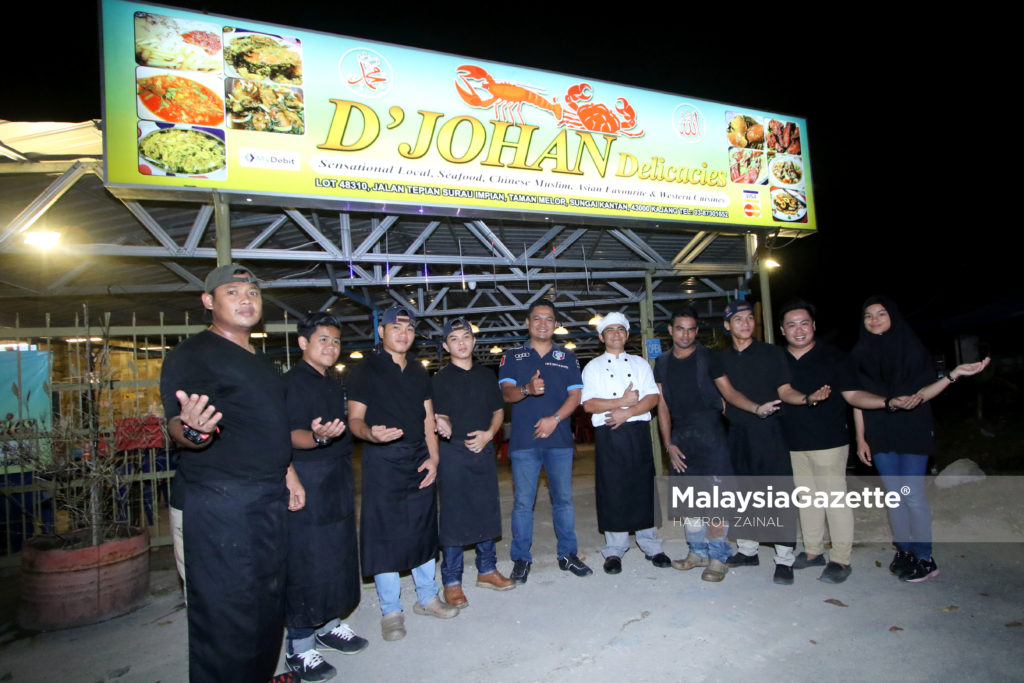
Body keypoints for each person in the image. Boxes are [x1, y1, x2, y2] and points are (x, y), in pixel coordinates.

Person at [159, 264, 318, 682]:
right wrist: (194, 429)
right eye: (233, 292)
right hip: (217, 504)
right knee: (226, 612)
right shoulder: (192, 355)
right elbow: (179, 425)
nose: (246, 299)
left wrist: (289, 473)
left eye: (253, 292)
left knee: (264, 601)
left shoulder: (261, 362)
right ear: (209, 302)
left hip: (264, 498)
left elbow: (269, 427)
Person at [850, 296, 990, 583]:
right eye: (868, 315)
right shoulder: (859, 353)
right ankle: (904, 550)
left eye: (881, 313)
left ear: (893, 316)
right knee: (894, 497)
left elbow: (923, 393)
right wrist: (861, 438)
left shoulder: (911, 347)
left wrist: (954, 374)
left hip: (911, 428)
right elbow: (857, 399)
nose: (874, 319)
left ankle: (925, 557)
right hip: (880, 432)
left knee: (912, 495)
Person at [347, 305, 457, 642]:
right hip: (382, 458)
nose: (403, 334)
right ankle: (391, 610)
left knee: (423, 527)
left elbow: (428, 419)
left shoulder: (418, 371)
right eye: (396, 328)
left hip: (418, 456)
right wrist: (370, 434)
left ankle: (427, 597)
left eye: (408, 329)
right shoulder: (365, 368)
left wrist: (434, 459)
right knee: (385, 533)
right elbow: (354, 420)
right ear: (381, 332)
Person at [711, 300, 830, 585]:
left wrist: (807, 398)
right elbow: (727, 393)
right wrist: (755, 409)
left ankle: (784, 559)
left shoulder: (772, 353)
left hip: (770, 433)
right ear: (727, 326)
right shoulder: (719, 359)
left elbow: (785, 390)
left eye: (750, 318)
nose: (746, 324)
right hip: (739, 432)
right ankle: (748, 550)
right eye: (738, 320)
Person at [281, 312, 368, 681]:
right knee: (307, 560)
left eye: (335, 341)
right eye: (323, 340)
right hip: (307, 477)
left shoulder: (333, 381)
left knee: (337, 552)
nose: (331, 347)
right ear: (303, 343)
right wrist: (316, 438)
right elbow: (284, 434)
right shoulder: (289, 384)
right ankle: (299, 647)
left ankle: (329, 624)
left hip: (336, 475)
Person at [499, 300, 592, 582]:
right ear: (527, 322)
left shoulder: (568, 357)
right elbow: (506, 394)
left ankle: (567, 554)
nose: (543, 323)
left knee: (563, 501)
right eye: (537, 318)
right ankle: (521, 558)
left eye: (549, 319)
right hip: (525, 443)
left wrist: (555, 419)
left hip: (560, 440)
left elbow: (575, 397)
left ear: (555, 324)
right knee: (523, 503)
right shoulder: (511, 357)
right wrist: (527, 388)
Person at [432, 318, 515, 608]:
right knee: (454, 515)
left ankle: (487, 569)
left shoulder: (485, 376)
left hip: (482, 450)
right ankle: (452, 581)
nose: (461, 342)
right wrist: (441, 423)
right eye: (454, 338)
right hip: (453, 453)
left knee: (485, 509)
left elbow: (497, 412)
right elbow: (439, 415)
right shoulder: (440, 379)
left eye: (465, 336)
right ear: (446, 345)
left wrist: (489, 434)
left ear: (474, 341)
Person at [581, 312, 670, 574]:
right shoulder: (593, 367)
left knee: (643, 485)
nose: (616, 334)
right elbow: (589, 404)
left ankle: (651, 545)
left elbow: (652, 397)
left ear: (627, 334)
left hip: (638, 430)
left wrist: (628, 412)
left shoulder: (641, 364)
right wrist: (622, 401)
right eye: (610, 330)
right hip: (609, 433)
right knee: (613, 489)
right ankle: (614, 550)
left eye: (621, 329)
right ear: (601, 337)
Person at [654, 307, 733, 582]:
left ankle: (718, 557)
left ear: (696, 332)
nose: (685, 334)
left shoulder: (709, 357)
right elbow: (662, 406)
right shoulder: (661, 362)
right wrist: (669, 444)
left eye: (690, 329)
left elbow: (726, 398)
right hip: (682, 436)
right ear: (671, 330)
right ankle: (697, 552)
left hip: (711, 433)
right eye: (680, 328)